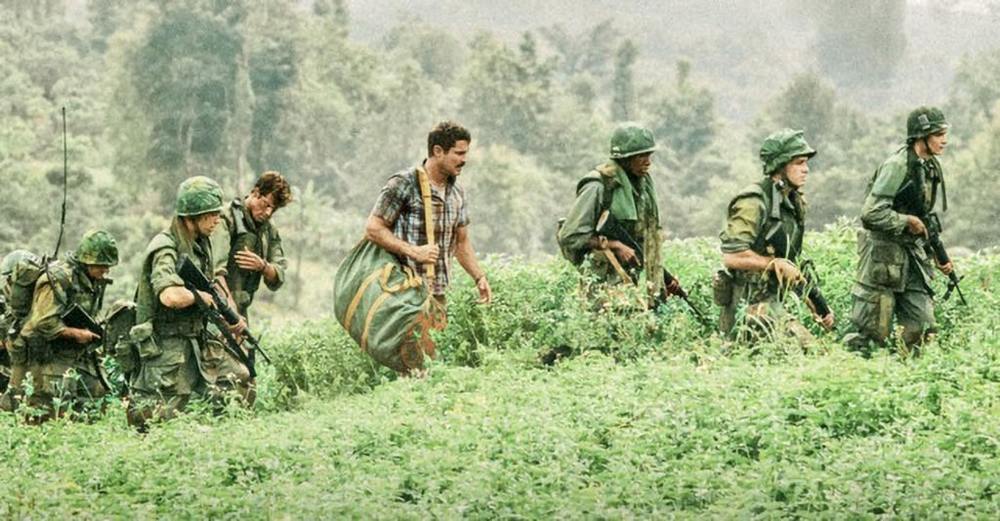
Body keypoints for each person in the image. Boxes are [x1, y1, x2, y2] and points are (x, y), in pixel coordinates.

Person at [364, 121, 492, 374]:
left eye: (466, 153)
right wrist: (414, 251)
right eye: (459, 153)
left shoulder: (457, 193)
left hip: (438, 294)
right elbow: (373, 228)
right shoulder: (404, 183)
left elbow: (461, 241)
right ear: (437, 151)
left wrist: (479, 276)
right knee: (417, 368)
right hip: (404, 292)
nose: (464, 159)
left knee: (431, 363)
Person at [127, 176, 234, 429]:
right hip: (165, 347)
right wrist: (201, 297)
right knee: (153, 420)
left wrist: (230, 317)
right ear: (190, 217)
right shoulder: (165, 247)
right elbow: (169, 296)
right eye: (210, 214)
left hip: (192, 341)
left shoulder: (199, 244)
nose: (217, 220)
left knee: (233, 383)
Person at [844, 107, 952, 354]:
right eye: (938, 134)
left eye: (945, 133)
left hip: (912, 258)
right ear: (921, 136)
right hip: (883, 259)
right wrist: (906, 221)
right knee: (869, 335)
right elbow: (870, 213)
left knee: (922, 329)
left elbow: (923, 215)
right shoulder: (897, 166)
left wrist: (935, 251)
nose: (944, 140)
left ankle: (908, 382)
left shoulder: (928, 166)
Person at [716, 129, 834, 347]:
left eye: (806, 163)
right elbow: (732, 257)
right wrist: (772, 264)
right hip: (748, 306)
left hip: (772, 303)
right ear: (780, 166)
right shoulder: (754, 201)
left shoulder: (792, 202)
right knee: (808, 351)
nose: (806, 169)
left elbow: (792, 262)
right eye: (799, 163)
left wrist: (818, 306)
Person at [557, 122, 681, 304]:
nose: (648, 161)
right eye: (641, 156)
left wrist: (663, 279)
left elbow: (643, 238)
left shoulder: (642, 185)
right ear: (625, 158)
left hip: (628, 283)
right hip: (601, 287)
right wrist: (614, 245)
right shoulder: (598, 186)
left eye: (649, 155)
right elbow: (569, 236)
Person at [7, 231, 117, 420]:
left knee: (94, 402)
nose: (105, 271)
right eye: (102, 266)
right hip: (43, 355)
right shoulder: (59, 279)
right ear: (87, 261)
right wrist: (75, 333)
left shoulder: (92, 281)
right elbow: (42, 322)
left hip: (72, 354)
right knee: (43, 413)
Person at [210, 171, 292, 402]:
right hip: (216, 305)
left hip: (239, 310)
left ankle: (235, 416)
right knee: (218, 368)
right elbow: (216, 271)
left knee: (246, 369)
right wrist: (230, 311)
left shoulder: (268, 231)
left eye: (272, 210)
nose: (267, 213)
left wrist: (263, 266)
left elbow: (279, 273)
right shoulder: (226, 219)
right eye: (265, 205)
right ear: (255, 192)